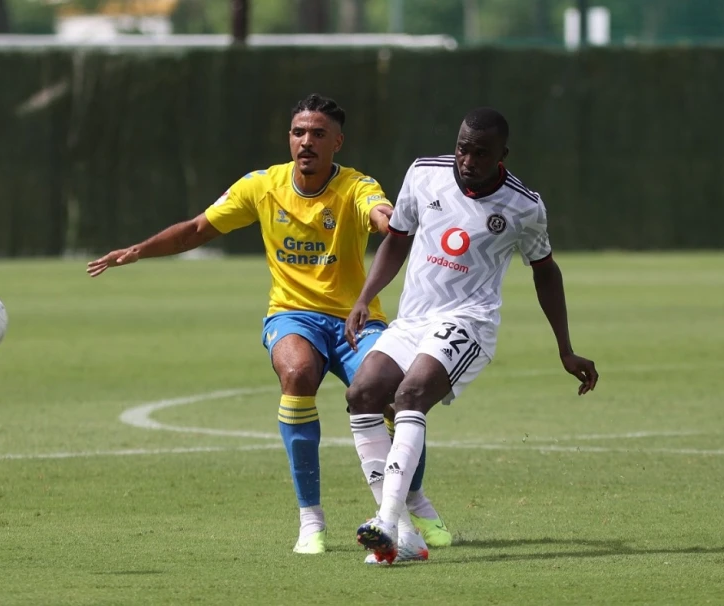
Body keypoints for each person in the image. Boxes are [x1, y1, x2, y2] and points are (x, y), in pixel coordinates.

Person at [86, 94, 451, 555]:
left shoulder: (357, 185)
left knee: (392, 394)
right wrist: (138, 250)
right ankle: (311, 521)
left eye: (319, 134)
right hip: (292, 315)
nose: (307, 141)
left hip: (356, 319)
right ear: (289, 139)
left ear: (337, 142)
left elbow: (381, 214)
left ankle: (412, 500)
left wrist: (392, 221)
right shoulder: (262, 186)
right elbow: (200, 228)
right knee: (297, 375)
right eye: (299, 132)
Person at [343, 107, 599, 564]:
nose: (467, 159)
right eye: (463, 147)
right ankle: (402, 533)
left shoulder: (524, 206)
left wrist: (565, 347)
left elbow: (545, 273)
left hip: (469, 320)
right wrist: (366, 296)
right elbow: (397, 239)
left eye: (480, 152)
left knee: (411, 394)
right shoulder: (423, 174)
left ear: (502, 154)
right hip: (414, 318)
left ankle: (384, 520)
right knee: (362, 393)